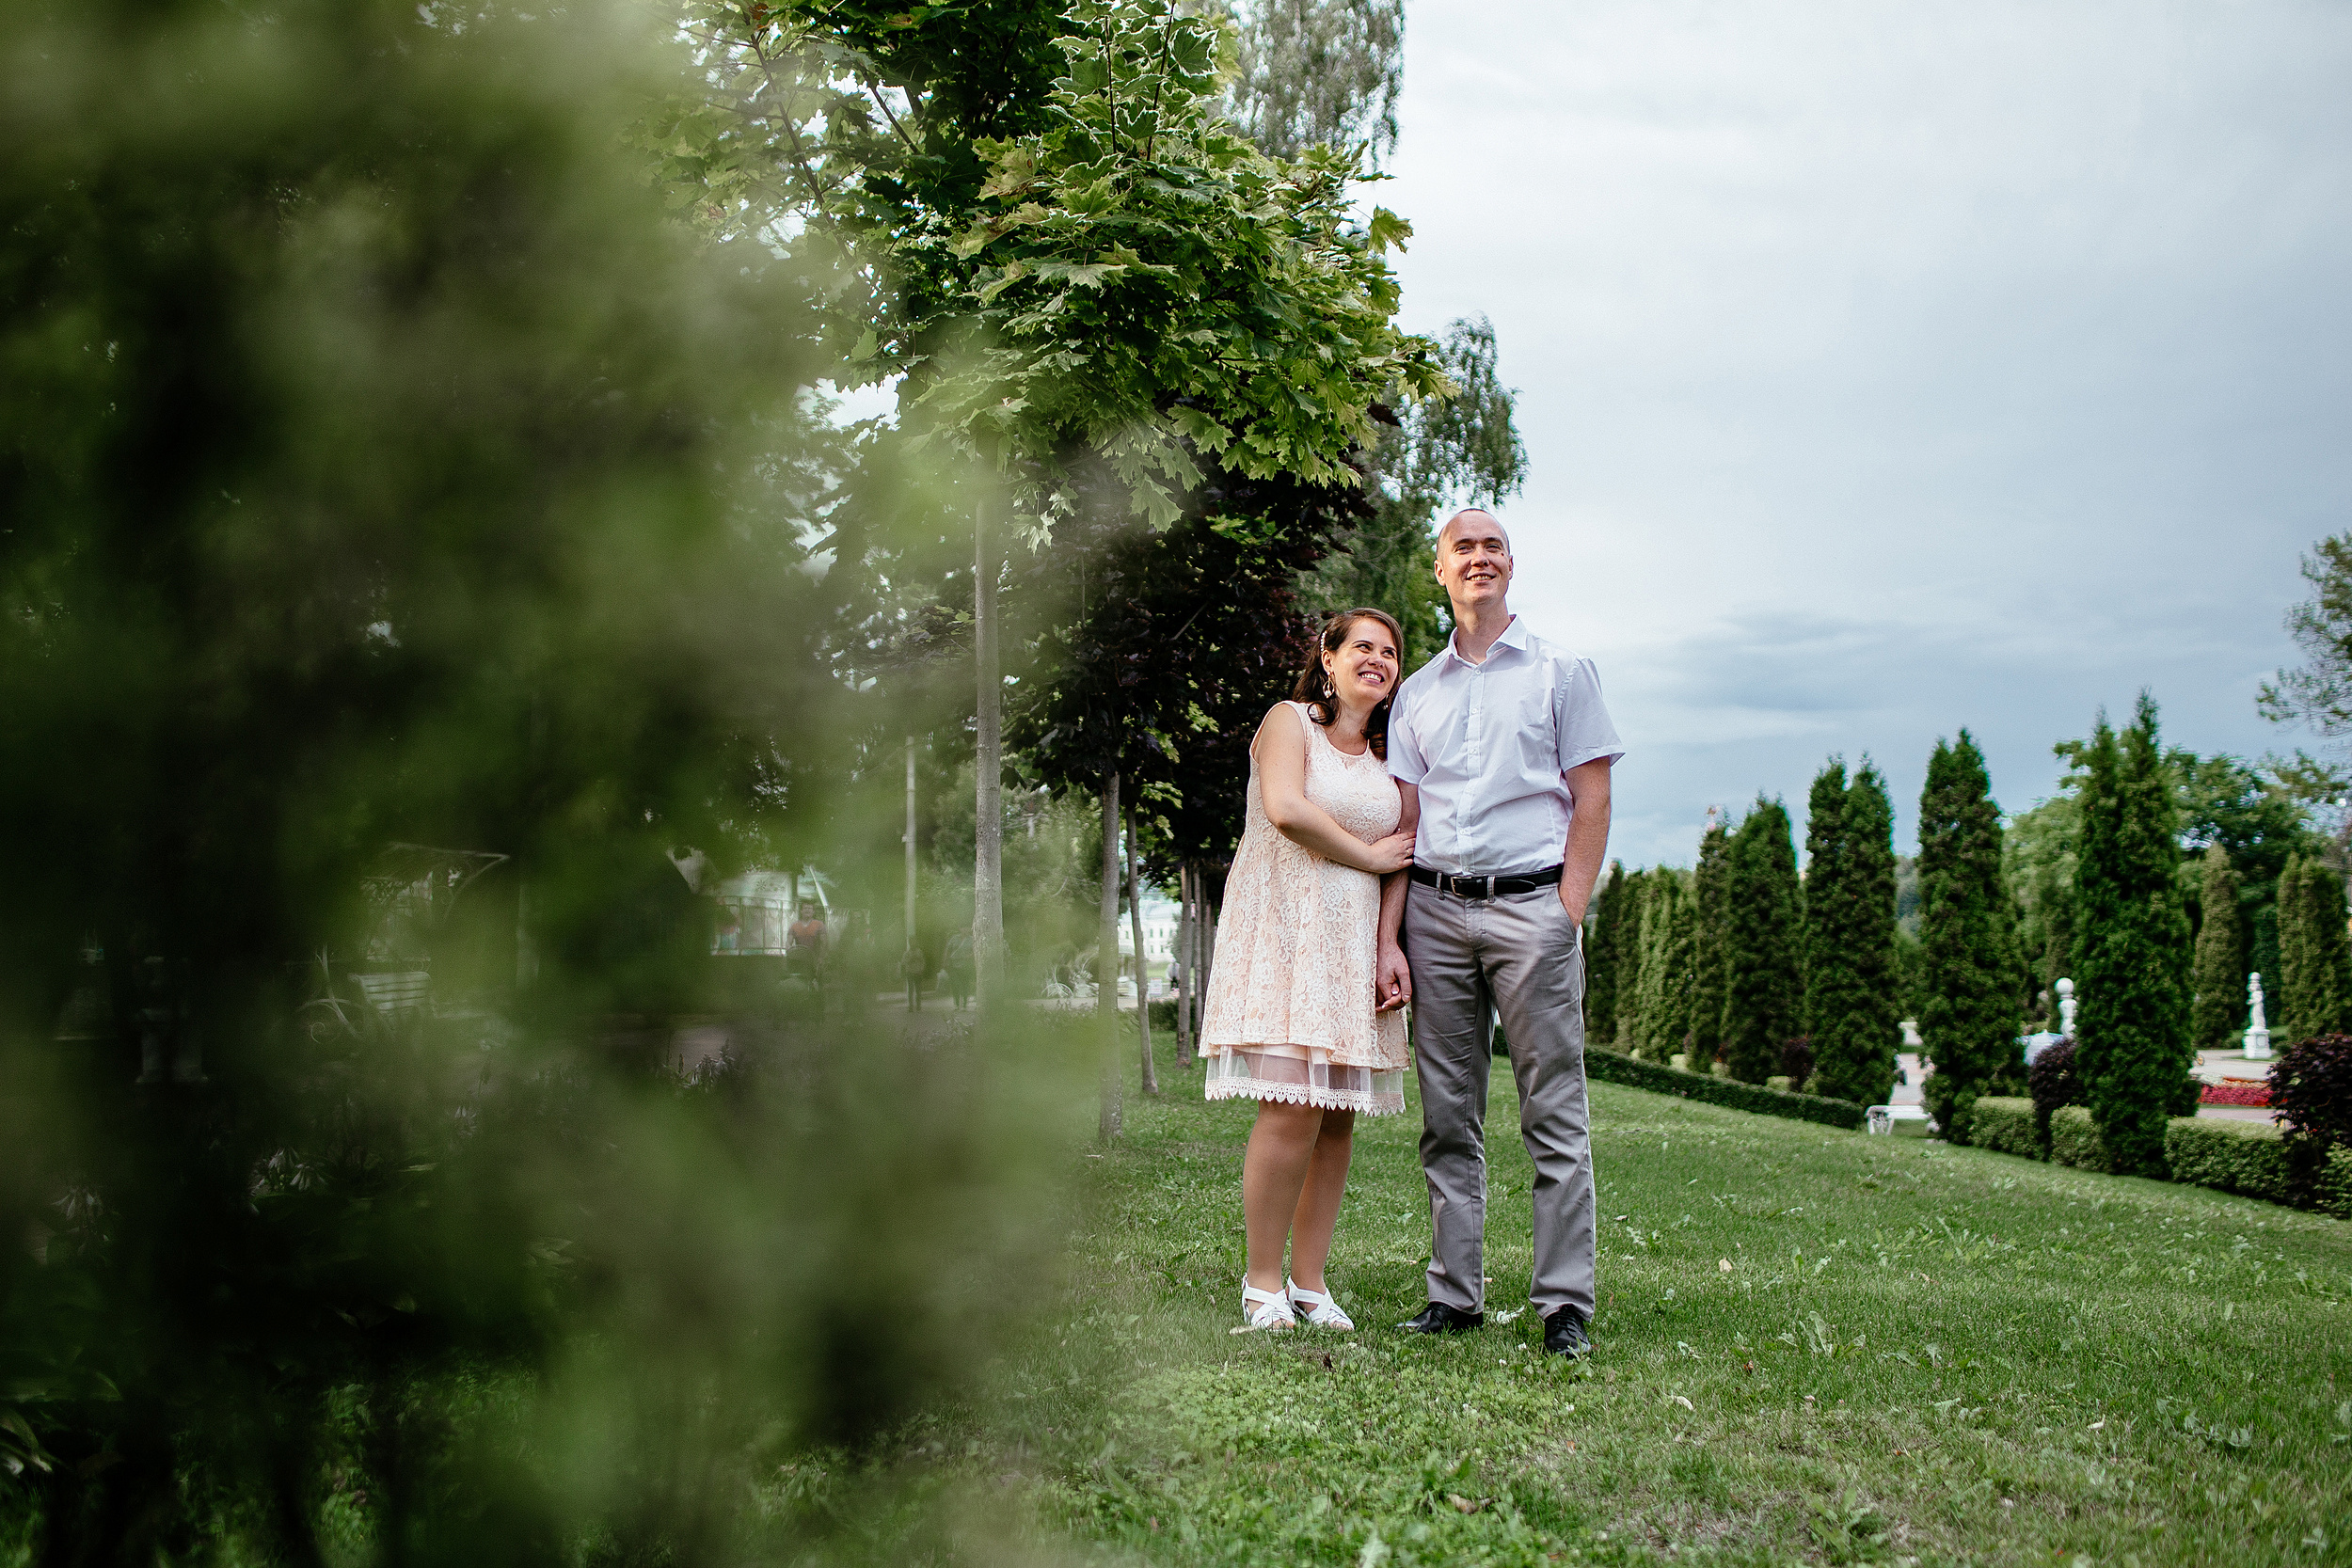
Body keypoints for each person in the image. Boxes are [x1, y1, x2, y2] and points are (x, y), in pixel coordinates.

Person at [1378, 508, 1622, 1358]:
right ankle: (1455, 1294)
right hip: (1436, 914)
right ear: (1439, 570)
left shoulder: (1562, 673)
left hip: (1532, 912)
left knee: (1553, 1113)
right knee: (1448, 1116)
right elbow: (1407, 820)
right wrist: (1393, 935)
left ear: (1511, 566)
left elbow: (1592, 798)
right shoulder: (1417, 693)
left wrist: (1567, 911)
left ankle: (1564, 1306)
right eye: (1463, 548)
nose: (1478, 558)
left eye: (1492, 547)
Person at [1199, 610, 1417, 1332]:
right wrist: (1369, 854)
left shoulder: (1392, 758)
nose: (1377, 659)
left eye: (1390, 652)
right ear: (1328, 655)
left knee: (1335, 1118)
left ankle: (1310, 1282)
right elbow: (1286, 808)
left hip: (1352, 945)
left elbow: (1404, 854)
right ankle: (1262, 1281)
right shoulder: (1287, 722)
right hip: (1286, 934)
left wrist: (1388, 944)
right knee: (1291, 1105)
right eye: (1363, 646)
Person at [944, 927, 974, 1010]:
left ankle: (964, 1005)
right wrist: (945, 960)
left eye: (966, 928)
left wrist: (969, 956)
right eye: (963, 928)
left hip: (966, 965)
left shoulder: (972, 939)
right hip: (954, 965)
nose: (965, 930)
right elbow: (948, 949)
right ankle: (956, 1004)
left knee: (965, 985)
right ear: (960, 929)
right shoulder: (954, 938)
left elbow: (975, 951)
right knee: (955, 985)